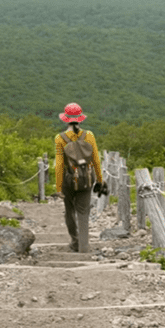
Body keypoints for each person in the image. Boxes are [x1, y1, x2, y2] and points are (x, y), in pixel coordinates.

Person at [55, 102, 103, 253]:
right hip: (86, 179)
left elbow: (59, 165)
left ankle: (74, 242)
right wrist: (100, 180)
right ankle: (84, 246)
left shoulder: (60, 138)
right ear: (80, 119)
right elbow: (96, 159)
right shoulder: (88, 135)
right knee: (83, 211)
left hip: (68, 180)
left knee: (69, 211)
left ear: (65, 119)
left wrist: (58, 187)